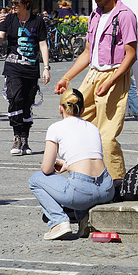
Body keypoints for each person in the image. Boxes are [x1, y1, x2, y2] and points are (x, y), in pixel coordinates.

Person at [54, 0, 138, 192]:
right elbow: (87, 53)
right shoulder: (95, 15)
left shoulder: (125, 15)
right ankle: (83, 175)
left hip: (114, 75)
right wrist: (66, 77)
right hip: (93, 74)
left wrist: (111, 82)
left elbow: (131, 55)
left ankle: (118, 183)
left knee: (106, 135)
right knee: (76, 122)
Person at [29, 89, 114, 240]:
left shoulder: (55, 128)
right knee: (77, 182)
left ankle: (59, 222)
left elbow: (46, 169)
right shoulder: (93, 128)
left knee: (36, 179)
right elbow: (88, 158)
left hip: (82, 192)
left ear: (60, 108)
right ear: (83, 109)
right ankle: (84, 221)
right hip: (106, 188)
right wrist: (68, 165)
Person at [0, 0, 51, 155]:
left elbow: (42, 44)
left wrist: (46, 68)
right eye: (12, 3)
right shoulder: (9, 19)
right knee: (15, 99)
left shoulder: (37, 21)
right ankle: (17, 136)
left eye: (17, 3)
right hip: (13, 68)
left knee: (27, 104)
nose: (13, 6)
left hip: (31, 69)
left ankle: (25, 138)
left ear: (26, 4)